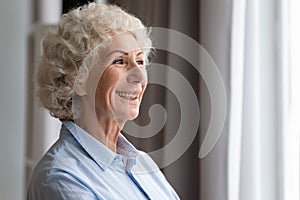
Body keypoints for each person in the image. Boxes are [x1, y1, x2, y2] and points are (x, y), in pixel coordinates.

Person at [27, 2, 180, 200]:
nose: (140, 77)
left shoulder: (144, 164)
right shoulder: (61, 178)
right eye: (120, 61)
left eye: (140, 62)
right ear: (77, 79)